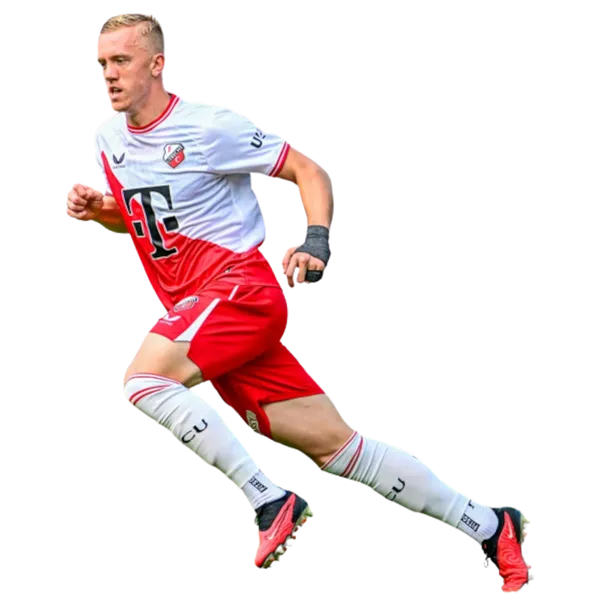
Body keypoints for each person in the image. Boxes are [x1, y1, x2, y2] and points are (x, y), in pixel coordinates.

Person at [66, 11, 534, 590]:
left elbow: (305, 169)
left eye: (122, 60)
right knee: (339, 449)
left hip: (238, 291)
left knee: (141, 380)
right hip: (202, 317)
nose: (108, 75)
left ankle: (268, 499)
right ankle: (492, 527)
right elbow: (147, 223)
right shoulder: (108, 137)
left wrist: (316, 242)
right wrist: (101, 212)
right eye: (102, 63)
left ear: (159, 65)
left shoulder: (208, 126)